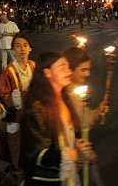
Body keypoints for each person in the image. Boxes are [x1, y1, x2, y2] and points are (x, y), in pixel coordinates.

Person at [21, 52, 97, 185]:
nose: (69, 71)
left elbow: (70, 136)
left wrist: (80, 146)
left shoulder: (65, 99)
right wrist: (72, 154)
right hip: (48, 180)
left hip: (69, 176)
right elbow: (37, 155)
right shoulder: (37, 109)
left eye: (68, 67)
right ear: (47, 72)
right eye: (62, 67)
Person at [0, 33, 35, 173]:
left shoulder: (33, 66)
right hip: (16, 119)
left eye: (25, 45)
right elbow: (2, 95)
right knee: (18, 152)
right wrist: (16, 98)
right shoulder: (9, 71)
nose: (22, 49)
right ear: (13, 49)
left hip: (31, 117)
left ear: (30, 48)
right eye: (18, 46)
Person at [63, 47, 109, 126]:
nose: (88, 74)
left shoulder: (77, 89)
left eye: (88, 70)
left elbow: (83, 118)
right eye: (83, 70)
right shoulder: (66, 93)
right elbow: (79, 124)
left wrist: (97, 112)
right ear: (70, 68)